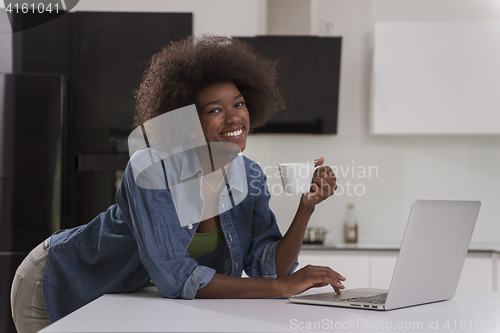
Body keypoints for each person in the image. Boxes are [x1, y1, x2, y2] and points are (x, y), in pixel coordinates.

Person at [10, 35, 345, 333]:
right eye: (215, 110)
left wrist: (305, 209)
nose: (234, 118)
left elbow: (268, 267)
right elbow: (177, 278)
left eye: (239, 104)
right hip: (57, 283)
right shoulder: (151, 169)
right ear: (187, 124)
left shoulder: (250, 176)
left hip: (117, 300)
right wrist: (282, 288)